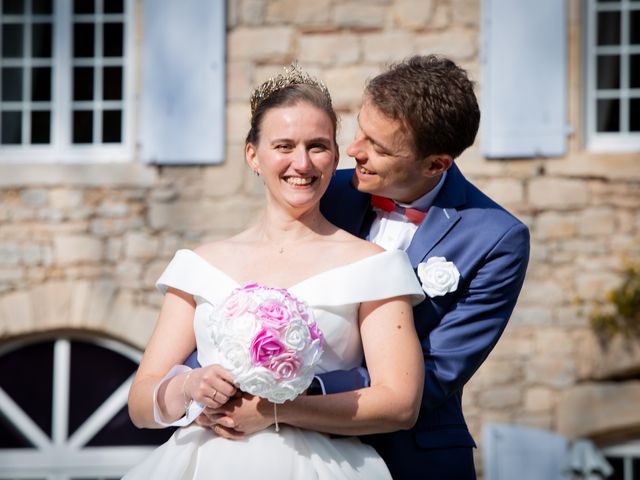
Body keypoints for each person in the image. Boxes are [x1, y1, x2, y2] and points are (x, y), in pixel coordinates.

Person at [201, 55, 531, 480]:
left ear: (436, 165)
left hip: (409, 455)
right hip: (284, 456)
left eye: (379, 147)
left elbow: (436, 372)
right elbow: (249, 290)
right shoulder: (323, 188)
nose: (354, 150)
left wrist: (294, 388)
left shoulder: (496, 239)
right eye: (361, 129)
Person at [123, 64, 427, 479]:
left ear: (336, 156)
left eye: (318, 147)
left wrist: (277, 411)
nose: (301, 163)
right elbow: (142, 402)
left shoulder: (374, 266)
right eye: (283, 145)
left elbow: (399, 404)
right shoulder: (199, 266)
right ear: (254, 155)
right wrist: (189, 389)